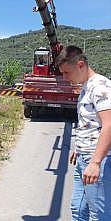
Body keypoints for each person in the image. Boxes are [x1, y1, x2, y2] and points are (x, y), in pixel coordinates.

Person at [56, 45, 111, 221]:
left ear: (81, 65)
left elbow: (109, 125)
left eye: (67, 72)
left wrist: (95, 162)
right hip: (83, 159)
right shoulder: (86, 87)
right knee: (78, 209)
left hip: (97, 162)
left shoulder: (100, 87)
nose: (64, 78)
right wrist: (79, 147)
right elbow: (90, 123)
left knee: (98, 214)